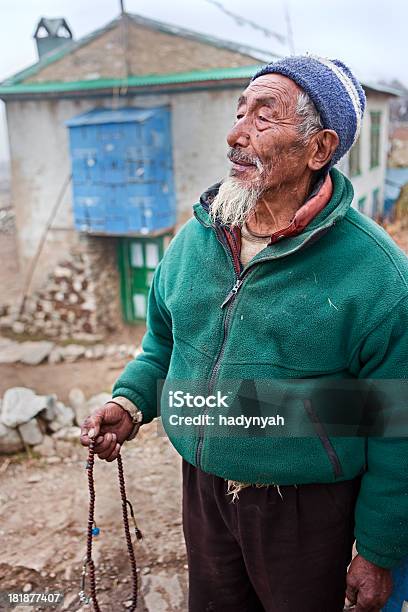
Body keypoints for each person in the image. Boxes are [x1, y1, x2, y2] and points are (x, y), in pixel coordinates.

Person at [80, 55, 408, 611]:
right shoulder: (194, 241)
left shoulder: (377, 275)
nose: (236, 134)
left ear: (319, 149)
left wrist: (377, 550)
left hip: (307, 505)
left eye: (263, 115)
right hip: (204, 489)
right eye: (239, 112)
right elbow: (163, 344)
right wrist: (131, 401)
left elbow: (397, 428)